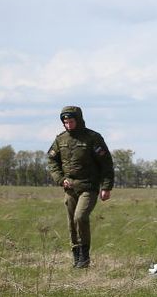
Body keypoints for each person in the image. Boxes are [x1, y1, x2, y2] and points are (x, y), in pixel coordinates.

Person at [47, 106, 114, 269]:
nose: (68, 125)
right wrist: (60, 179)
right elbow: (52, 161)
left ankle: (84, 256)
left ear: (78, 120)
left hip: (89, 187)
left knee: (80, 217)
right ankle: (77, 257)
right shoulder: (60, 140)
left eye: (71, 121)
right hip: (69, 187)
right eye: (65, 122)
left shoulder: (93, 138)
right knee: (71, 222)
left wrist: (106, 187)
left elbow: (106, 164)